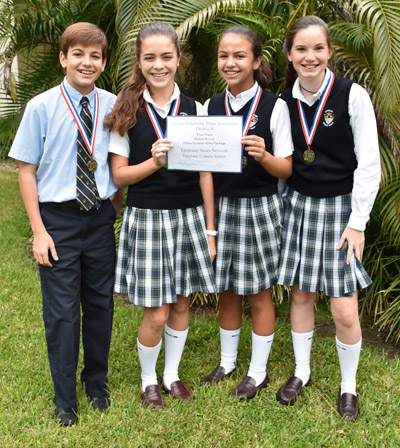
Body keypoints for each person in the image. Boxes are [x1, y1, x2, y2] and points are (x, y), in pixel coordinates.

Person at [8, 22, 123, 426]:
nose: (86, 62)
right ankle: (64, 399)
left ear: (103, 62)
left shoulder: (113, 104)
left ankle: (96, 384)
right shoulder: (41, 106)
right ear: (63, 58)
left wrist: (113, 208)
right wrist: (40, 232)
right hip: (57, 219)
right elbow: (26, 171)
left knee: (99, 305)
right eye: (78, 54)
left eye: (95, 56)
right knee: (61, 313)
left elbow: (116, 164)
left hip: (98, 218)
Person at [105, 22, 216, 409]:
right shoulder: (127, 109)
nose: (159, 65)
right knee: (156, 312)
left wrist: (210, 228)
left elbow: (205, 173)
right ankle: (149, 379)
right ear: (139, 60)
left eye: (166, 57)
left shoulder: (195, 109)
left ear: (178, 59)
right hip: (149, 217)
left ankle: (172, 374)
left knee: (182, 303)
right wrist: (153, 162)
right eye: (150, 57)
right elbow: (119, 175)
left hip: (188, 217)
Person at [276, 16, 381, 421]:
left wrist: (358, 221)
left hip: (342, 212)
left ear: (329, 51)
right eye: (301, 49)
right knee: (301, 295)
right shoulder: (284, 102)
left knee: (343, 309)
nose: (310, 56)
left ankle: (348, 385)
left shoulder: (353, 96)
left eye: (318, 48)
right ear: (290, 54)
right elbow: (285, 164)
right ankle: (301, 372)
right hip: (299, 208)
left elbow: (369, 164)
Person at [200, 26, 293, 401]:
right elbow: (204, 169)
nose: (230, 62)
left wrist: (264, 155)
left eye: (239, 56)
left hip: (259, 208)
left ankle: (257, 372)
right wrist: (209, 226)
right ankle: (227, 362)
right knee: (226, 289)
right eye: (224, 55)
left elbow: (286, 168)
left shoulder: (275, 106)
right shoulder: (210, 107)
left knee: (258, 293)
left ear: (256, 61)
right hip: (222, 208)